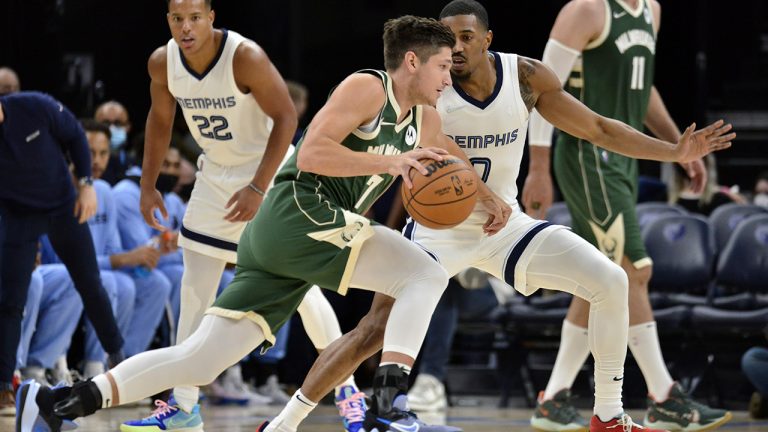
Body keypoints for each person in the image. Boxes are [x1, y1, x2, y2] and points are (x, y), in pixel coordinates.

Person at [261, 1, 736, 431]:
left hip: (504, 227)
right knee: (371, 331)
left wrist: (671, 152)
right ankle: (288, 422)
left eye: (467, 37)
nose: (456, 48)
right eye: (448, 40)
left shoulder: (526, 78)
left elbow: (596, 127)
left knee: (610, 280)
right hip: (437, 229)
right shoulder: (431, 91)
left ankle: (609, 414)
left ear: (488, 39)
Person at [15, 13, 473, 432]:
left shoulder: (423, 120)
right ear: (411, 61)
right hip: (302, 210)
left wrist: (495, 208)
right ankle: (389, 404)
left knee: (200, 359)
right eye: (442, 67)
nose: (448, 78)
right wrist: (390, 165)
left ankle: (55, 404)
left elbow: (460, 166)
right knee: (424, 273)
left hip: (280, 237)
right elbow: (311, 153)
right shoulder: (370, 87)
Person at [124, 0, 365, 429]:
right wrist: (147, 185)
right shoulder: (163, 63)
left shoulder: (244, 56)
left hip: (269, 176)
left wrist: (257, 186)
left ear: (211, 17)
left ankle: (348, 392)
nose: (186, 27)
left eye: (194, 17)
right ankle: (183, 406)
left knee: (303, 293)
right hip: (215, 178)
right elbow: (160, 120)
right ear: (168, 21)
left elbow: (287, 117)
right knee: (194, 290)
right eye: (177, 19)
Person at [525, 0, 734, 429]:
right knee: (631, 269)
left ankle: (555, 397)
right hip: (587, 155)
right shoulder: (584, 11)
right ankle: (665, 396)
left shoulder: (652, 10)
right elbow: (540, 92)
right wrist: (539, 169)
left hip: (623, 155)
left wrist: (679, 147)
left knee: (599, 277)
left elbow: (641, 88)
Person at [0, 91, 125, 416]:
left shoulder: (32, 106)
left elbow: (74, 136)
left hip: (62, 206)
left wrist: (86, 184)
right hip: (18, 216)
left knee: (91, 285)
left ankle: (119, 362)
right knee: (11, 301)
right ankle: (3, 386)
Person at [94, 101, 136, 185]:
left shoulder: (137, 166)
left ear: (128, 127)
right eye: (105, 123)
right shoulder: (85, 163)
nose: (111, 128)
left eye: (118, 123)